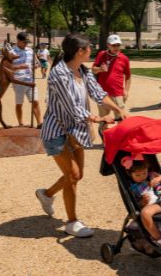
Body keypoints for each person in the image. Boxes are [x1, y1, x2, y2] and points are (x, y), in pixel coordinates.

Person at [35, 33, 128, 237]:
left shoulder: (82, 70)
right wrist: (98, 118)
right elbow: (72, 108)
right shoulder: (59, 73)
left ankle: (46, 194)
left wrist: (119, 110)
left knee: (77, 176)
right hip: (57, 132)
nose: (91, 51)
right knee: (73, 175)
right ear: (80, 51)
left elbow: (98, 93)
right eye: (89, 49)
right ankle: (72, 221)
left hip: (76, 131)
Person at [92, 34, 131, 121]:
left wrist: (126, 91)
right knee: (103, 120)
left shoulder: (124, 58)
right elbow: (93, 70)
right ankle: (104, 134)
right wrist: (100, 69)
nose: (116, 47)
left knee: (120, 118)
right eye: (113, 45)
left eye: (118, 45)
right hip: (102, 93)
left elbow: (128, 76)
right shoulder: (101, 55)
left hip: (117, 93)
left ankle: (119, 135)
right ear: (108, 45)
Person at [10, 32, 41, 126]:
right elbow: (6, 68)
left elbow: (38, 63)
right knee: (19, 103)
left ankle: (40, 123)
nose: (26, 44)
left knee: (35, 101)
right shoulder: (11, 52)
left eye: (27, 42)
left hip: (30, 80)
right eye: (24, 42)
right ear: (18, 41)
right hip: (18, 81)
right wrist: (19, 67)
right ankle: (20, 123)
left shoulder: (31, 51)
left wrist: (36, 66)